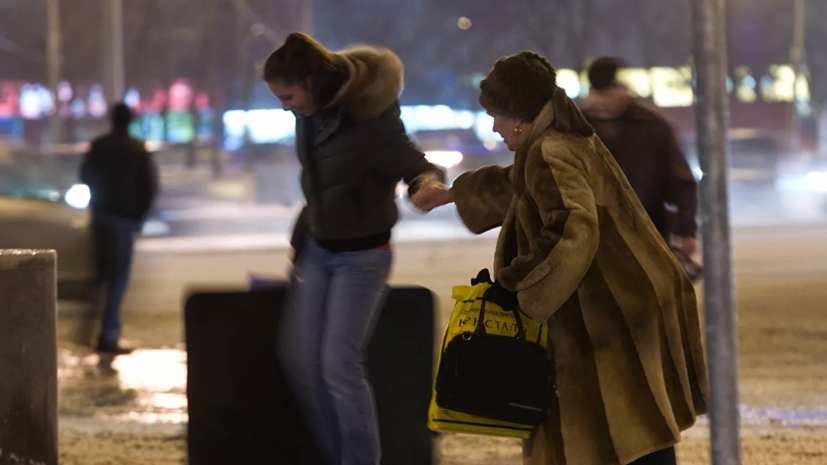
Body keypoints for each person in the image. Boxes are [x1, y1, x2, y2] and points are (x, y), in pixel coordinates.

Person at [412, 52, 708, 465]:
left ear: (518, 114)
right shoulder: (558, 140)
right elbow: (520, 185)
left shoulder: (551, 150)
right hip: (622, 303)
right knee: (635, 431)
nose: (495, 127)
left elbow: (573, 227)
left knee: (616, 436)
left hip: (606, 313)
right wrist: (450, 194)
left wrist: (517, 288)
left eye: (497, 115)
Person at [262, 33, 442, 465]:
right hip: (317, 249)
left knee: (339, 367)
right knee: (299, 358)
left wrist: (425, 184)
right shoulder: (312, 110)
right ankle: (333, 455)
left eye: (288, 96)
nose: (285, 106)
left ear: (310, 80)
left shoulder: (370, 114)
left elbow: (412, 162)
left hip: (361, 257)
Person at [583, 57, 699, 257]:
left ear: (623, 91)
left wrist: (686, 230)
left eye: (608, 93)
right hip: (591, 238)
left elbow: (680, 182)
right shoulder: (576, 128)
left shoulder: (652, 126)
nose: (601, 101)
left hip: (647, 234)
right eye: (598, 94)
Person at [80, 103, 158, 355]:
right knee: (117, 280)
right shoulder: (137, 149)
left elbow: (85, 176)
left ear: (111, 120)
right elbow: (149, 187)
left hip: (100, 217)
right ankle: (108, 336)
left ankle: (85, 332)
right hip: (123, 220)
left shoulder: (98, 146)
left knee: (100, 275)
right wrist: (139, 217)